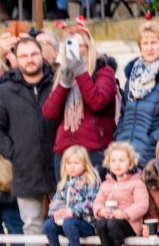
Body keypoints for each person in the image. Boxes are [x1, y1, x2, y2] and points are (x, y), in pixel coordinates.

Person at [0, 36, 58, 246]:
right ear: (17, 60)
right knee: (32, 225)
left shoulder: (57, 82)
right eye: (24, 56)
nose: (30, 60)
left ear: (42, 54)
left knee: (64, 219)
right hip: (24, 167)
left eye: (34, 54)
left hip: (60, 165)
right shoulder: (6, 90)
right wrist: (13, 152)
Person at [42, 20, 117, 171]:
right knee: (66, 195)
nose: (74, 51)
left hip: (93, 150)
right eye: (70, 46)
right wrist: (64, 83)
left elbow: (98, 102)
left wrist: (81, 72)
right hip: (65, 152)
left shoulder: (103, 71)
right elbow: (49, 112)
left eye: (78, 46)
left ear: (89, 48)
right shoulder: (62, 73)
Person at [44, 145, 99, 246]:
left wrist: (72, 211)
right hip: (68, 224)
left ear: (85, 164)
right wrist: (56, 214)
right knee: (48, 225)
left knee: (69, 221)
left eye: (76, 163)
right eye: (69, 163)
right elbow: (55, 203)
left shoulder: (90, 182)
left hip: (87, 224)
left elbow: (92, 203)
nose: (72, 166)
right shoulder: (64, 184)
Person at [92, 141, 147, 246]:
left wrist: (125, 213)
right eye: (113, 161)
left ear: (130, 164)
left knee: (112, 223)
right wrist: (100, 210)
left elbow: (142, 204)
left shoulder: (136, 183)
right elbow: (97, 202)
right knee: (101, 223)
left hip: (130, 225)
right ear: (108, 164)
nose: (117, 164)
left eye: (121, 160)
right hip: (110, 221)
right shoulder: (106, 185)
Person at [116, 20, 159, 159]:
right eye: (145, 43)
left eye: (154, 43)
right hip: (126, 151)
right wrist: (120, 135)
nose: (149, 48)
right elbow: (124, 112)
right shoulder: (133, 76)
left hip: (151, 151)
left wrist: (151, 139)